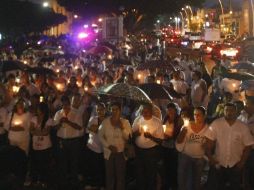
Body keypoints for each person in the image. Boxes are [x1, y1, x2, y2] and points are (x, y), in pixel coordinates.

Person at [205, 103, 254, 190]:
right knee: (218, 186)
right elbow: (208, 141)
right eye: (227, 110)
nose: (229, 112)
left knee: (235, 186)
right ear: (223, 111)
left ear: (236, 112)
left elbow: (248, 146)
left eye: (231, 110)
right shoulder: (216, 124)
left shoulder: (243, 127)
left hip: (236, 163)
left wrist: (242, 163)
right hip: (219, 163)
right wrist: (210, 157)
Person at [98, 102, 132, 190]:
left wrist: (122, 128)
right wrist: (108, 146)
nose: (114, 111)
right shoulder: (105, 122)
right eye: (112, 109)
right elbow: (100, 135)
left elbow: (128, 137)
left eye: (116, 109)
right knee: (109, 176)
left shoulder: (125, 122)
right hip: (109, 153)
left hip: (121, 153)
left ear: (120, 111)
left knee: (120, 177)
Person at [132, 103, 164, 190]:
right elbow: (131, 135)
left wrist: (151, 137)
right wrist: (136, 133)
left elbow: (161, 141)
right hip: (139, 151)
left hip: (151, 152)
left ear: (151, 112)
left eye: (147, 111)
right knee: (140, 173)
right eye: (143, 111)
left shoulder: (157, 122)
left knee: (151, 174)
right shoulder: (138, 120)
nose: (145, 113)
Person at [54, 95, 83, 188]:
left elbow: (79, 127)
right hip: (62, 141)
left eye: (67, 105)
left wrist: (68, 122)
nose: (65, 107)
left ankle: (73, 182)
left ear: (69, 104)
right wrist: (60, 122)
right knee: (62, 162)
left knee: (74, 162)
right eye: (63, 105)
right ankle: (63, 182)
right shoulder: (58, 114)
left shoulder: (76, 113)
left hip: (73, 141)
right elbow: (55, 128)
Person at [176, 106, 208, 190]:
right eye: (194, 114)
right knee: (183, 179)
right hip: (186, 156)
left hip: (199, 158)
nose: (196, 116)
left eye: (199, 115)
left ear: (204, 116)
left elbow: (209, 144)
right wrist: (183, 132)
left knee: (196, 180)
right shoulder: (187, 126)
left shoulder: (208, 129)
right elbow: (179, 141)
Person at [30, 102, 53, 187]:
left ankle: (44, 180)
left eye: (38, 108)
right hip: (35, 144)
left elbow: (46, 132)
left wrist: (36, 132)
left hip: (45, 145)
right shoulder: (34, 118)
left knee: (44, 163)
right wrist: (40, 132)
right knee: (36, 163)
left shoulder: (49, 119)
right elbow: (31, 130)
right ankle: (36, 180)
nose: (37, 110)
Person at [161, 103, 182, 190]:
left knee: (173, 166)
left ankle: (173, 184)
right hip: (165, 145)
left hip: (173, 146)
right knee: (166, 165)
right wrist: (163, 135)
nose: (169, 111)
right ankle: (166, 183)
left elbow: (178, 132)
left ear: (175, 110)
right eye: (168, 109)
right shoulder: (166, 117)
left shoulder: (178, 119)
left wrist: (170, 137)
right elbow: (162, 128)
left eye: (171, 109)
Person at [85, 102, 106, 189]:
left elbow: (105, 133)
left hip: (103, 148)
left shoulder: (107, 120)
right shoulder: (93, 118)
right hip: (92, 146)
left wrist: (95, 129)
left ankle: (101, 185)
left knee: (101, 167)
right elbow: (88, 129)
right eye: (97, 109)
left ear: (105, 110)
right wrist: (95, 129)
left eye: (101, 109)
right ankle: (92, 184)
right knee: (92, 166)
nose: (99, 111)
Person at [238, 97, 254, 189]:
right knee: (244, 169)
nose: (245, 106)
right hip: (242, 148)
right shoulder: (242, 115)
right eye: (245, 103)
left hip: (252, 149)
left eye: (248, 104)